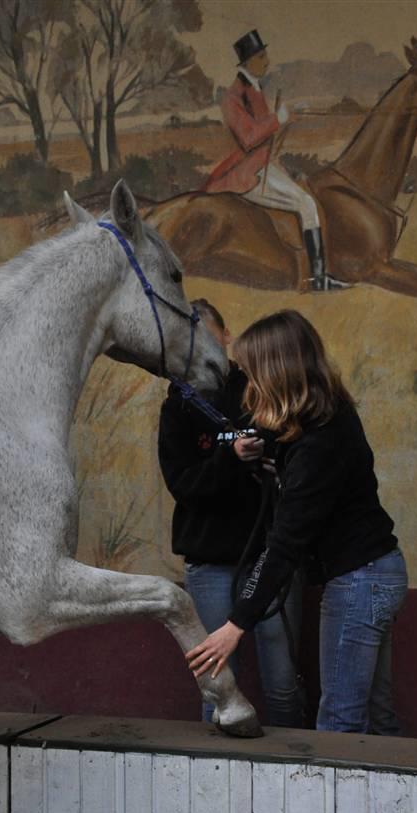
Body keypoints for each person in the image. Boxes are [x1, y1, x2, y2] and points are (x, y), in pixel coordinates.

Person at [185, 310, 408, 735]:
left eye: (253, 375)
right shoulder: (324, 418)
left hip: (360, 580)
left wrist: (235, 626)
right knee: (377, 719)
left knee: (339, 722)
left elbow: (285, 544)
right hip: (376, 573)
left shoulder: (321, 442)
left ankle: (333, 803)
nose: (249, 387)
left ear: (276, 373)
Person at [158, 299, 304, 728]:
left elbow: (295, 456)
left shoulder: (259, 388)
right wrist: (229, 456)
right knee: (216, 684)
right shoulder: (178, 406)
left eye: (208, 334)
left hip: (269, 552)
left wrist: (266, 454)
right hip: (209, 559)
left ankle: (297, 762)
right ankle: (214, 770)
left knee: (282, 677)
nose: (200, 346)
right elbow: (183, 485)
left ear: (226, 337)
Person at [203, 29, 346, 291]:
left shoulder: (256, 88)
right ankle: (317, 279)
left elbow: (264, 140)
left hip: (263, 165)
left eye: (265, 54)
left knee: (305, 194)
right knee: (305, 203)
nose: (267, 61)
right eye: (261, 56)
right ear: (247, 63)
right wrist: (277, 119)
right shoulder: (233, 97)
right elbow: (248, 138)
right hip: (247, 174)